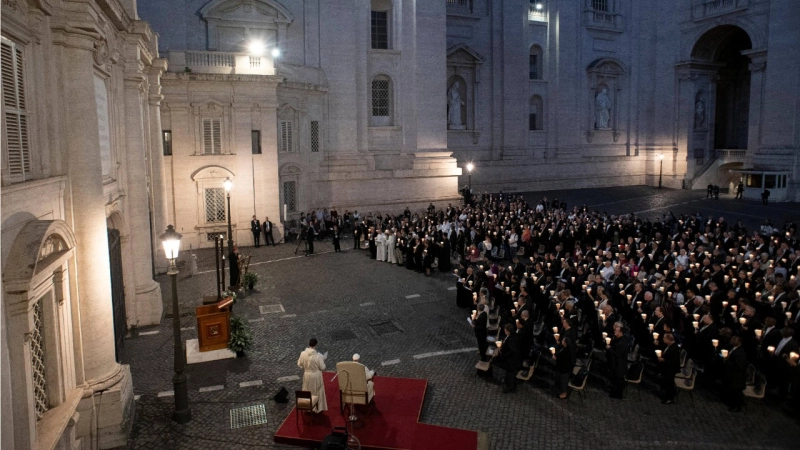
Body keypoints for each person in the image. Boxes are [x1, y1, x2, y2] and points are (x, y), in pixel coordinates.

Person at [297, 338, 328, 413]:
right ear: (316, 345)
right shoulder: (317, 356)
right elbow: (323, 367)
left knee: (307, 389)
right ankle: (317, 408)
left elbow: (299, 364)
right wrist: (323, 360)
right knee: (317, 391)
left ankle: (307, 407)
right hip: (315, 376)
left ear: (309, 344)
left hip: (307, 375)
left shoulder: (303, 353)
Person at [495, 324, 522, 393]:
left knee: (510, 374)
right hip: (510, 360)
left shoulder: (511, 339)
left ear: (508, 331)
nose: (504, 330)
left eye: (505, 329)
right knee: (509, 374)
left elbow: (512, 350)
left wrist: (504, 354)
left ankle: (510, 388)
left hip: (510, 360)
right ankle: (510, 386)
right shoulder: (511, 336)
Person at [725, 336, 747, 412]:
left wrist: (727, 361)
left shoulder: (740, 352)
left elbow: (738, 365)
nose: (732, 340)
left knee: (736, 392)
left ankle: (737, 407)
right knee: (733, 391)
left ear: (739, 342)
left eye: (734, 339)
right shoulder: (733, 348)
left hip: (737, 376)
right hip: (732, 374)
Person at [658, 333, 680, 404]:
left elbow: (672, 361)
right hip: (668, 368)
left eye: (664, 338)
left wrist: (663, 360)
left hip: (671, 369)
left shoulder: (674, 348)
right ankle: (667, 395)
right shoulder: (670, 345)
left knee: (669, 383)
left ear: (668, 339)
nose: (663, 339)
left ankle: (669, 398)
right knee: (668, 382)